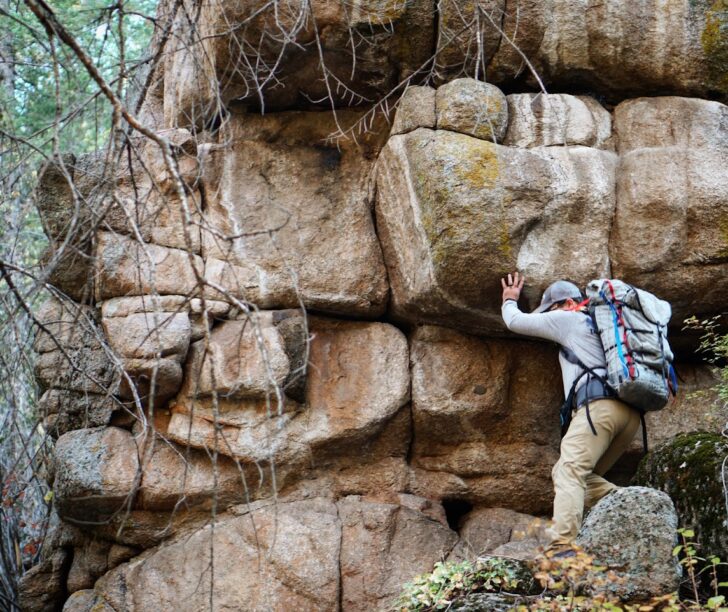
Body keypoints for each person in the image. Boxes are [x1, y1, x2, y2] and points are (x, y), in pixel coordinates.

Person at [500, 271, 641, 552]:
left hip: (598, 410)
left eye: (549, 310)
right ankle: (639, 507)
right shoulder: (603, 325)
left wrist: (509, 300)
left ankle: (562, 547)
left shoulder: (568, 318)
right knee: (582, 479)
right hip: (630, 414)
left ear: (562, 304)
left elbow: (514, 322)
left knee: (568, 472)